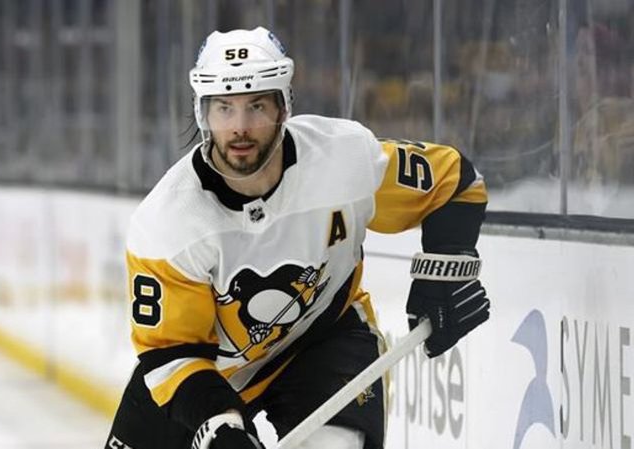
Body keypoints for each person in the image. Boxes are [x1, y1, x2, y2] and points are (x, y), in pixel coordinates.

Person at [105, 27, 491, 449]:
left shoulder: (344, 159)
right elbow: (172, 354)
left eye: (257, 105)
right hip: (207, 376)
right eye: (224, 108)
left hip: (323, 343)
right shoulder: (168, 224)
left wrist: (446, 270)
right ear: (203, 114)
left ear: (283, 107)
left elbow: (456, 181)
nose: (240, 128)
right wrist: (220, 426)